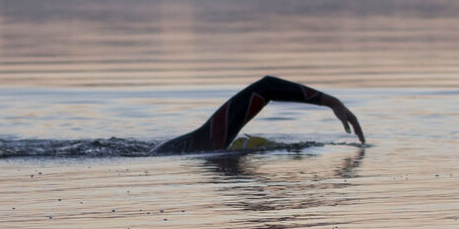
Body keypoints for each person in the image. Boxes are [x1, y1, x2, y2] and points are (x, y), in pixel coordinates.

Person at [151, 75, 365, 155]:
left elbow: (265, 87)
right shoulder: (207, 142)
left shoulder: (201, 142)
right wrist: (332, 102)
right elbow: (265, 87)